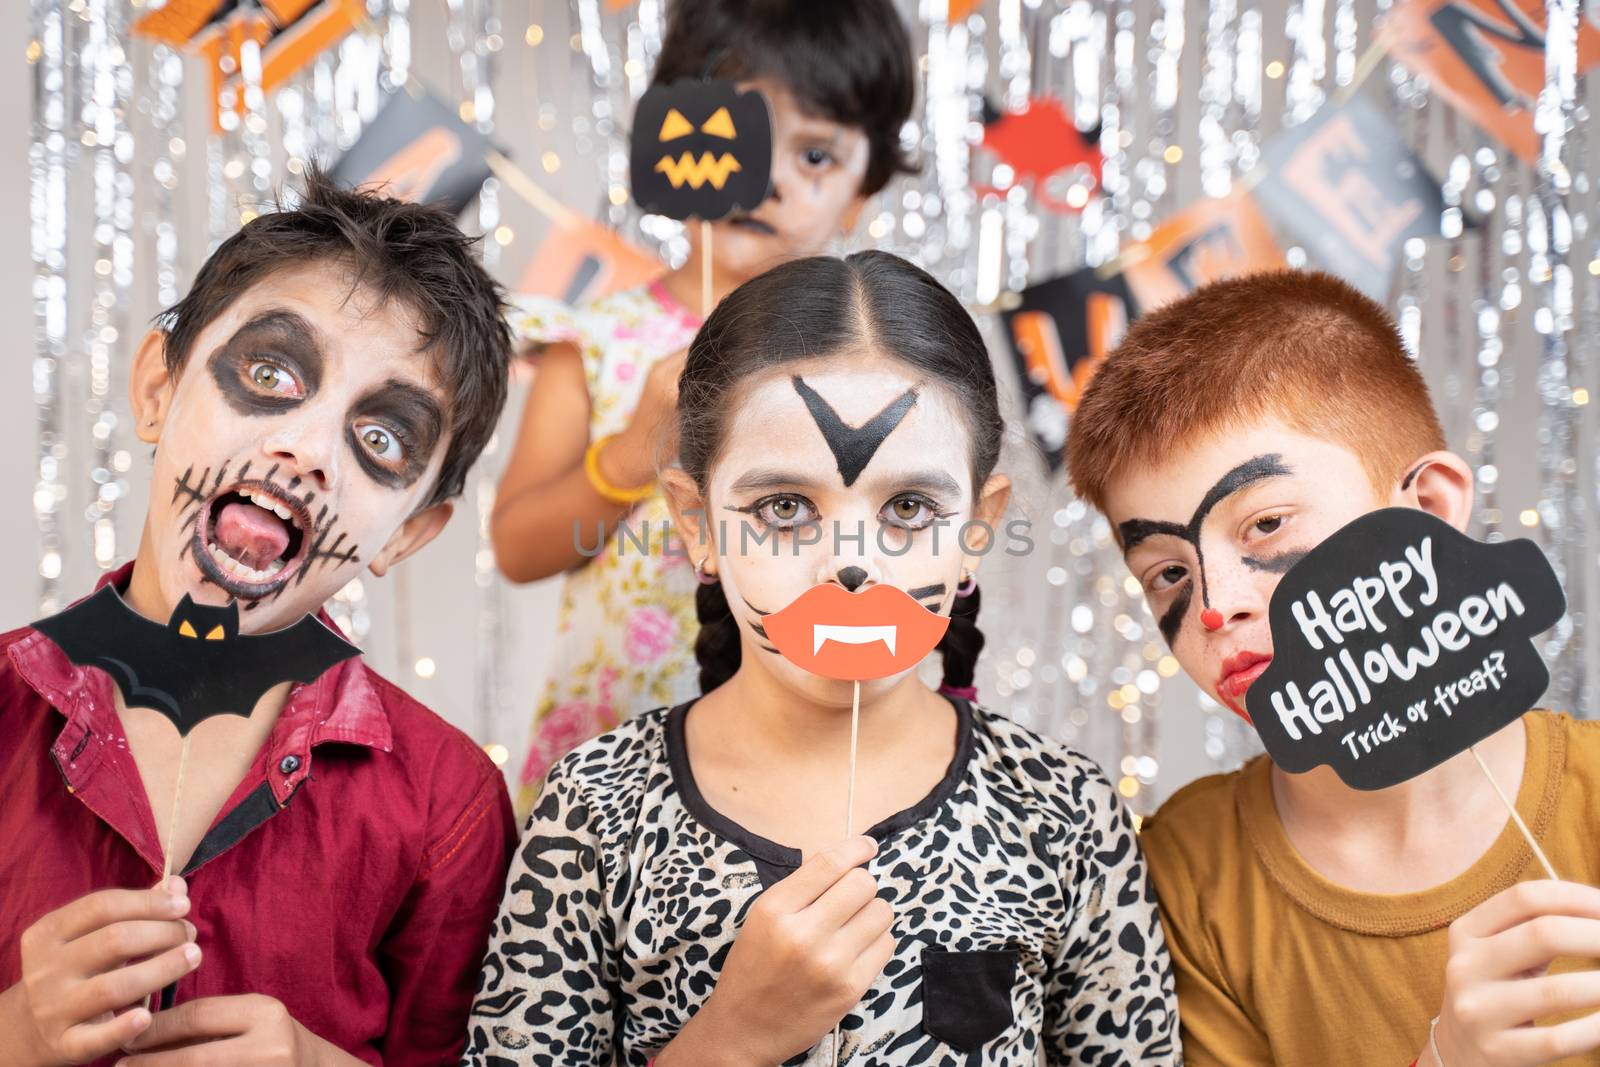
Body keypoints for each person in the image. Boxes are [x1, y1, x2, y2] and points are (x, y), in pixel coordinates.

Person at [467, 252, 1179, 1066]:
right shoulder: (595, 809)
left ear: (977, 530)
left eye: (908, 507)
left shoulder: (1062, 812)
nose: (851, 563)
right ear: (697, 522)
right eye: (784, 507)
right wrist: (732, 1038)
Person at [0, 169, 518, 1066]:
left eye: (383, 437)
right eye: (272, 370)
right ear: (159, 386)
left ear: (413, 531)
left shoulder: (449, 802)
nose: (307, 448)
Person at [1066, 269, 1600, 1067]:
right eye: (1169, 572)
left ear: (1429, 510)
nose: (1218, 605)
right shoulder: (1186, 873)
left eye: (1268, 523)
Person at [491, 0, 918, 814]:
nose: (768, 177)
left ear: (863, 189)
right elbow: (518, 547)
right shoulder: (599, 345)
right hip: (619, 749)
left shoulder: (878, 359)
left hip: (816, 751)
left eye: (816, 153)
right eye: (733, 137)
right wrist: (629, 452)